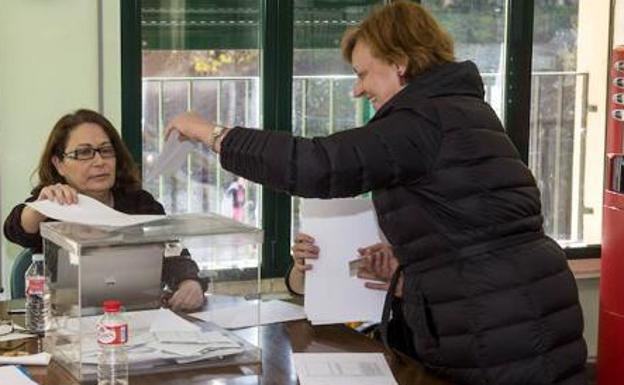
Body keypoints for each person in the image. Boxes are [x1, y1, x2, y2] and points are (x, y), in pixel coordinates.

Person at [164, 2, 588, 384]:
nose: (357, 89)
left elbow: (316, 165)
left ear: (400, 63)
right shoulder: (461, 110)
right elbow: (472, 226)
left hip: (494, 326)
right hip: (519, 308)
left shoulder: (419, 119)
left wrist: (210, 132)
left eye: (364, 73)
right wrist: (410, 269)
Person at [3, 109, 205, 312]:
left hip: (134, 321)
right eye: (83, 153)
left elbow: (175, 254)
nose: (99, 161)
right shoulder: (53, 206)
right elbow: (15, 230)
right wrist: (41, 207)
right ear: (59, 164)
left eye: (106, 150)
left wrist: (189, 283)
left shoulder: (139, 204)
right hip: (67, 326)